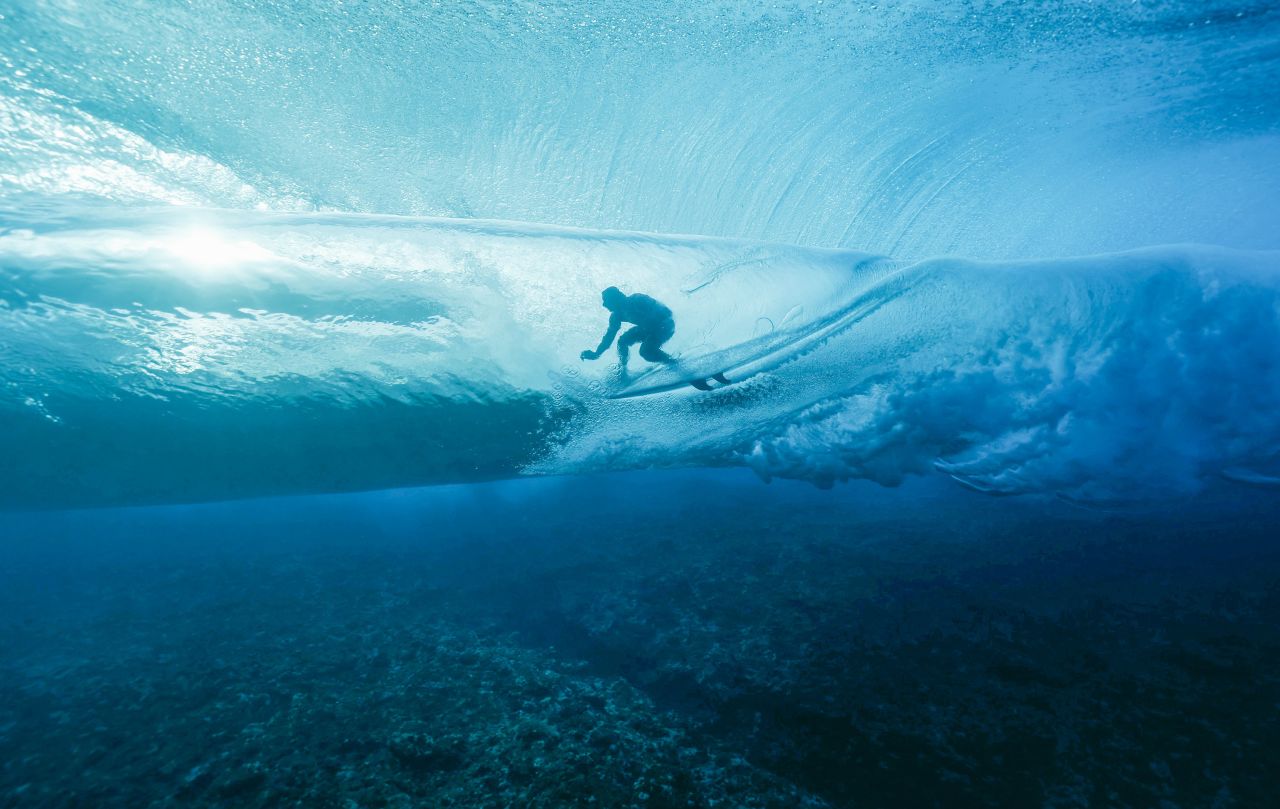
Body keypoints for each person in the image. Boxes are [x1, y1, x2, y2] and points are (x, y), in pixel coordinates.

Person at [580, 286, 677, 373]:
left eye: (606, 300)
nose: (604, 304)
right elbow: (609, 336)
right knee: (622, 342)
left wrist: (652, 326)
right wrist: (597, 353)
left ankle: (673, 363)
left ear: (616, 298)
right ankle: (623, 369)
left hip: (665, 325)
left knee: (646, 352)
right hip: (647, 329)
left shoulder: (637, 299)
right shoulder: (616, 316)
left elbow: (667, 312)